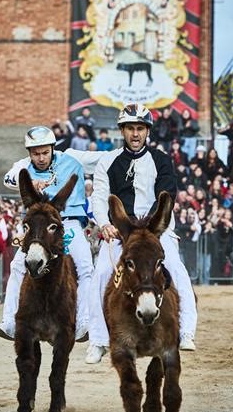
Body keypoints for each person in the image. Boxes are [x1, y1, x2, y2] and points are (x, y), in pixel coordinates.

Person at [85, 103, 198, 364]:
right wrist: (104, 224)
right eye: (130, 129)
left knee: (175, 269)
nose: (135, 134)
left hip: (156, 230)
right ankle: (99, 340)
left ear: (147, 131)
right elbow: (100, 197)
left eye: (140, 128)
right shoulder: (107, 161)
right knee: (100, 272)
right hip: (120, 233)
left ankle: (186, 331)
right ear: (122, 131)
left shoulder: (162, 160)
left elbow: (166, 198)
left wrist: (153, 228)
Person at [0, 126, 96, 342]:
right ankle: (10, 322)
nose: (40, 158)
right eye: (35, 153)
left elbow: (102, 159)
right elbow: (9, 178)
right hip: (39, 227)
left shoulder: (72, 158)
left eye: (45, 152)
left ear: (53, 148)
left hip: (70, 222)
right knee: (18, 266)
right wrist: (30, 181)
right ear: (29, 153)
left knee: (86, 267)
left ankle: (83, 322)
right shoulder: (24, 166)